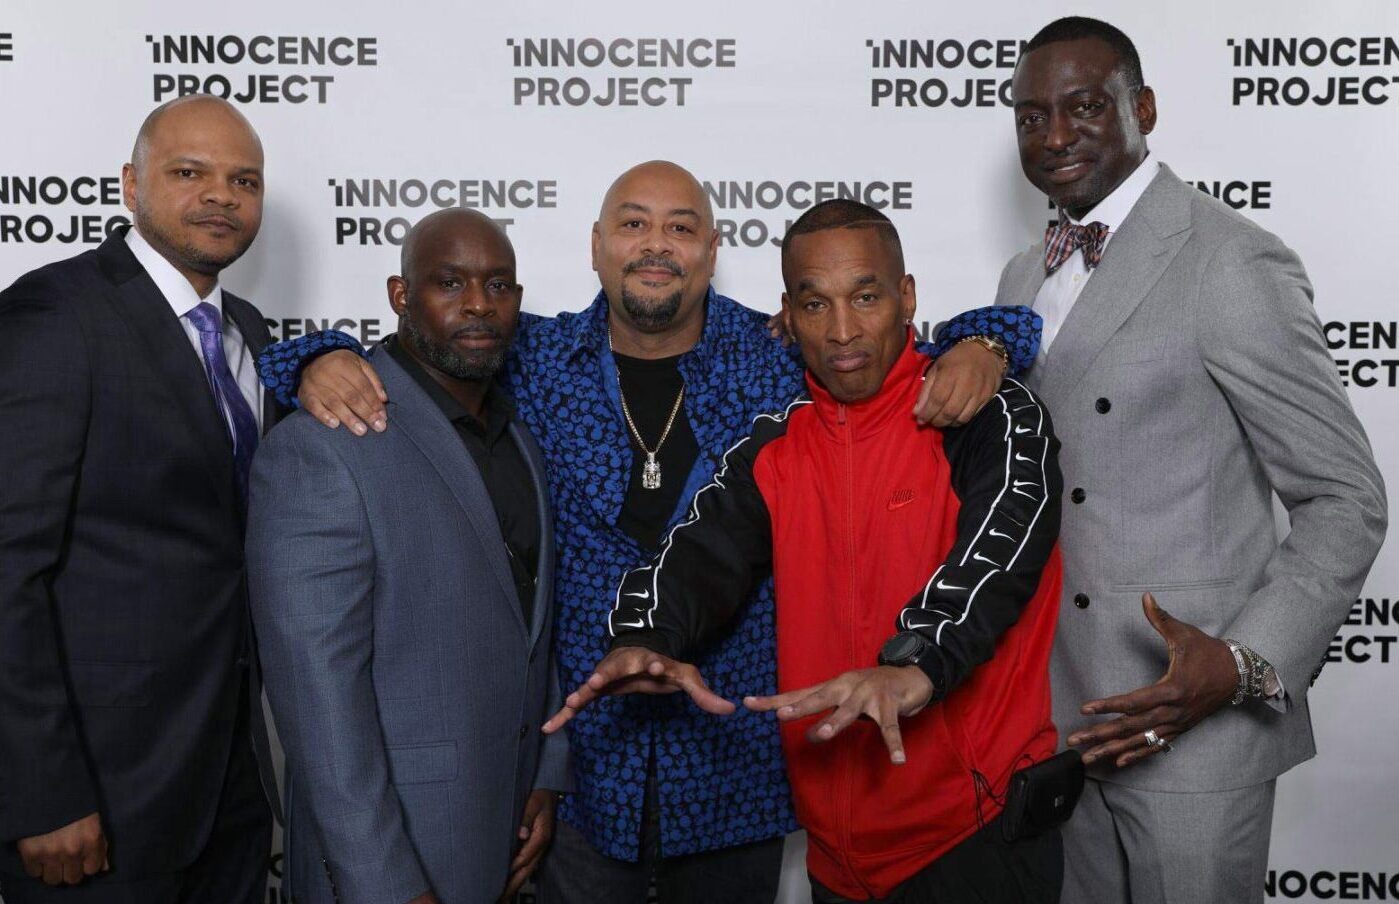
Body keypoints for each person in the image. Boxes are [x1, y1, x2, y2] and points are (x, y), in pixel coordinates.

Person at [258, 161, 1041, 903]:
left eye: (680, 226)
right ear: (597, 246)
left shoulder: (781, 356)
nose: (656, 244)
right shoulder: (530, 353)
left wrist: (988, 343)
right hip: (585, 777)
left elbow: (913, 346)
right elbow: (422, 341)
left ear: (712, 250)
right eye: (633, 224)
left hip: (737, 771)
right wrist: (312, 359)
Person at [546, 200, 1066, 904]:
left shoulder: (986, 413)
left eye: (866, 297)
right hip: (836, 854)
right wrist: (644, 637)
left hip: (971, 829)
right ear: (788, 317)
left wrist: (912, 667)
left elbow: (999, 556)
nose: (843, 330)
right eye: (815, 304)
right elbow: (701, 555)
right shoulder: (775, 445)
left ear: (906, 295)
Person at [999, 17, 1388, 904]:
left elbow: (1344, 497)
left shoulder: (1227, 260)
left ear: (1143, 108)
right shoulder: (1021, 276)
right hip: (1063, 718)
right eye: (1030, 116)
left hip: (1192, 721)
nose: (1053, 136)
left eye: (1084, 107)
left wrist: (1244, 661)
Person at [0, 96, 281, 903]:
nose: (221, 196)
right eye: (190, 173)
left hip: (228, 783)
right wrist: (40, 793)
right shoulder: (56, 314)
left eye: (244, 180)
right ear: (131, 184)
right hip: (93, 797)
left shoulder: (251, 333)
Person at [246, 208, 568, 904]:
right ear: (399, 296)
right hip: (392, 858)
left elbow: (534, 629)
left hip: (502, 829)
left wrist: (544, 774)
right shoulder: (322, 447)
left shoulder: (518, 438)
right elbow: (316, 698)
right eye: (449, 282)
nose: (479, 304)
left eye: (499, 285)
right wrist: (383, 883)